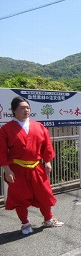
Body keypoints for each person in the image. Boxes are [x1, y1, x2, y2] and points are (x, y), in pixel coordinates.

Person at [0, 97, 64, 235]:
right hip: (17, 169)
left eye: (27, 108)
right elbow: (2, 150)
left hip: (37, 167)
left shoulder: (38, 126)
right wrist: (7, 170)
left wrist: (47, 161)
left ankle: (48, 219)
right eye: (22, 108)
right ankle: (25, 223)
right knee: (20, 198)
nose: (26, 110)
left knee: (44, 194)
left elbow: (46, 145)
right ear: (14, 111)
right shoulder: (6, 129)